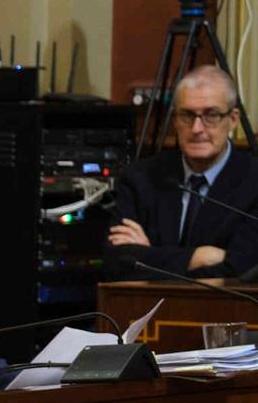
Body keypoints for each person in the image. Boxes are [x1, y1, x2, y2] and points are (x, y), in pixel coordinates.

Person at [106, 65, 258, 279]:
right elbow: (117, 263)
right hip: (145, 309)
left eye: (211, 115)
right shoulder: (141, 177)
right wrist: (199, 257)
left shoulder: (253, 181)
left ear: (233, 119)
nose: (197, 129)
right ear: (175, 119)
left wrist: (150, 256)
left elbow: (241, 270)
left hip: (222, 310)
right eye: (187, 115)